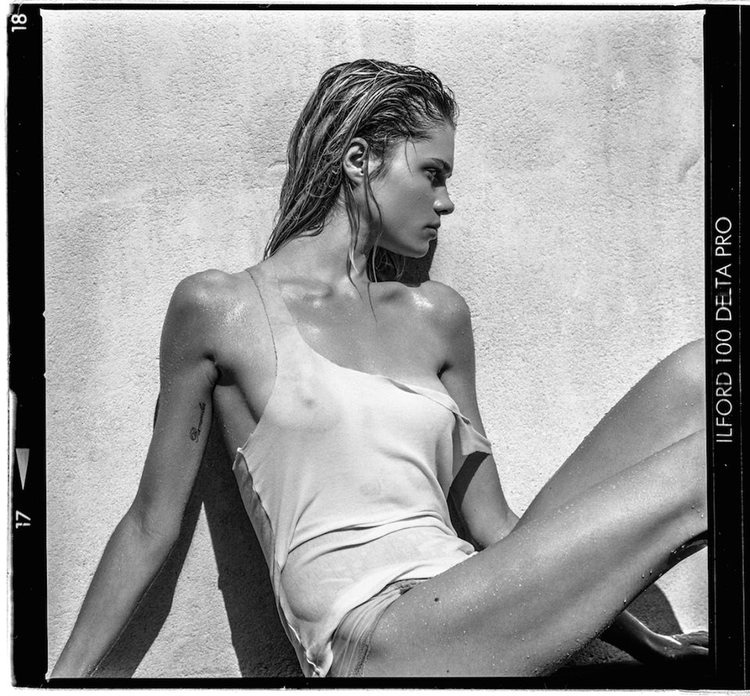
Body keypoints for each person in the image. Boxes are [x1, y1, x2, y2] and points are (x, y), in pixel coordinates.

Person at [52, 59, 708, 679]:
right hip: (373, 640)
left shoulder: (436, 316)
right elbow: (150, 523)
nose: (446, 202)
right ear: (359, 160)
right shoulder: (221, 308)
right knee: (706, 462)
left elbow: (497, 528)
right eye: (432, 173)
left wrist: (648, 644)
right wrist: (60, 683)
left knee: (705, 375)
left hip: (468, 598)